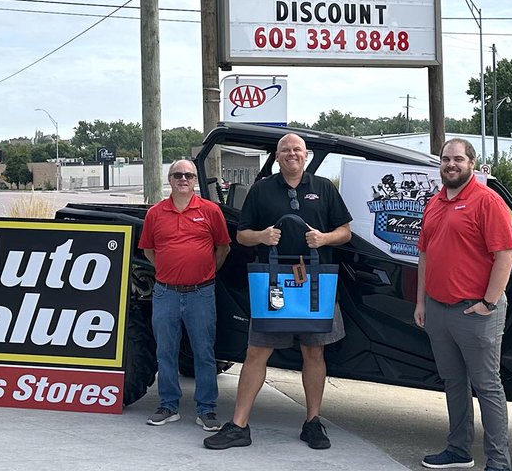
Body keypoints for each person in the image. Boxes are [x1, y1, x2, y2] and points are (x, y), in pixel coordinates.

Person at [204, 133, 352, 451]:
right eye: (285, 150)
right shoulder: (261, 190)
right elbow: (242, 236)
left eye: (296, 149)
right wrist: (262, 236)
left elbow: (345, 231)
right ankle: (239, 426)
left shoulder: (324, 188)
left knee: (314, 352)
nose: (291, 154)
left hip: (314, 282)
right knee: (257, 352)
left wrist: (324, 239)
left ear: (306, 155)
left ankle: (313, 423)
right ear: (278, 155)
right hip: (272, 283)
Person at [413, 139, 512, 471]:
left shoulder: (487, 201)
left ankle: (500, 464)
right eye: (445, 159)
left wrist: (488, 302)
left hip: (476, 311)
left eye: (458, 159)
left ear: (472, 163)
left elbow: (505, 255)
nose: (451, 164)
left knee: (487, 386)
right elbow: (425, 255)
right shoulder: (434, 203)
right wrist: (421, 302)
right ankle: (458, 449)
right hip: (439, 309)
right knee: (453, 382)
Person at [138, 159, 231, 432]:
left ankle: (206, 409)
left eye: (188, 175)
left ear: (194, 181)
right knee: (165, 352)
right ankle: (168, 405)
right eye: (178, 175)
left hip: (201, 294)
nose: (183, 179)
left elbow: (223, 248)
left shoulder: (210, 211)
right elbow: (148, 250)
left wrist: (204, 272)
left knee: (204, 353)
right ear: (170, 179)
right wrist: (169, 271)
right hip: (165, 293)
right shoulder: (155, 214)